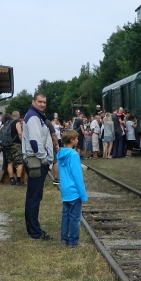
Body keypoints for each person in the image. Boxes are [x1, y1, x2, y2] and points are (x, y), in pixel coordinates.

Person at [22, 93, 55, 241]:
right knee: (34, 197)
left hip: (37, 160)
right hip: (36, 161)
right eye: (40, 102)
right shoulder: (34, 117)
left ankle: (33, 229)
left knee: (33, 196)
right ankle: (34, 232)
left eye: (44, 102)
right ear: (33, 102)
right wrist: (44, 159)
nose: (42, 104)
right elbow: (35, 142)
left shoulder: (36, 116)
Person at [56, 130, 88, 247]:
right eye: (76, 139)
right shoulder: (74, 155)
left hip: (65, 190)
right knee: (74, 217)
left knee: (66, 216)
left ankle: (64, 239)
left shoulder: (60, 154)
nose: (78, 140)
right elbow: (77, 176)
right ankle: (73, 241)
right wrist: (83, 194)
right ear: (72, 140)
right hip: (74, 191)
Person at [5, 111, 25, 186]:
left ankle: (11, 179)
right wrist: (22, 141)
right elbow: (19, 133)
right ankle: (18, 180)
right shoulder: (17, 122)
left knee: (10, 162)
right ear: (18, 115)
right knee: (20, 162)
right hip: (16, 144)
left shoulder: (7, 123)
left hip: (7, 145)